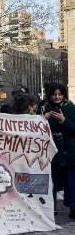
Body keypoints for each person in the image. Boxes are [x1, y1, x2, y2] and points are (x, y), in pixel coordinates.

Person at [42, 83, 75, 218]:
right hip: (52, 151)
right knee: (52, 182)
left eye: (59, 94)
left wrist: (63, 120)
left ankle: (73, 207)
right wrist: (44, 119)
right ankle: (52, 207)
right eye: (54, 94)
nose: (57, 97)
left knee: (71, 182)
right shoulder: (45, 108)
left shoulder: (72, 108)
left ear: (64, 95)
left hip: (69, 151)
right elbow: (37, 129)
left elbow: (74, 129)